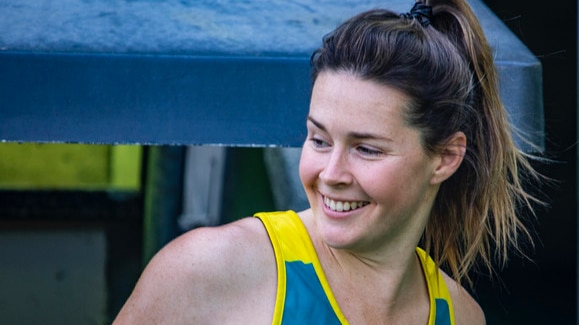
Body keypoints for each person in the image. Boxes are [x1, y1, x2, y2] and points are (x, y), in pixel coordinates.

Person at [114, 0, 542, 324]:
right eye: (319, 140)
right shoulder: (210, 267)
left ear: (445, 157)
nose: (330, 175)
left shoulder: (461, 316)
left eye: (366, 148)